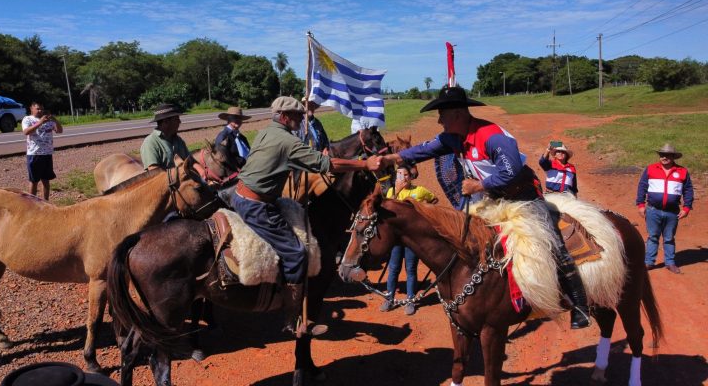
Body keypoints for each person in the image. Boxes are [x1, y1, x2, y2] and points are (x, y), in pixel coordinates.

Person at [379, 85, 590, 329]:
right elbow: (423, 150)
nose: (439, 120)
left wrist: (479, 185)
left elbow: (511, 171)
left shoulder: (492, 136)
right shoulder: (453, 137)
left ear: (457, 114)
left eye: (442, 115)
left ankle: (579, 305)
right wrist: (389, 159)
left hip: (522, 196)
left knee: (553, 243)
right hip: (490, 198)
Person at [232, 96, 382, 336]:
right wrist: (364, 166)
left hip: (240, 196)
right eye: (296, 116)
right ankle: (293, 320)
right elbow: (327, 165)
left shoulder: (265, 132)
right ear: (283, 117)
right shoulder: (287, 141)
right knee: (297, 253)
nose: (301, 119)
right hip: (257, 206)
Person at [380, 164, 437, 315]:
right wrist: (397, 191)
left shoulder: (419, 190)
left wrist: (423, 210)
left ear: (411, 176)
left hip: (412, 239)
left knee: (410, 269)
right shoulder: (392, 191)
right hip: (396, 238)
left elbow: (434, 199)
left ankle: (410, 300)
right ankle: (389, 298)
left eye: (405, 175)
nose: (403, 178)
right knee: (393, 268)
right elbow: (386, 209)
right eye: (399, 175)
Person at [636, 143, 694, 274]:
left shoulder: (682, 171)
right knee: (653, 236)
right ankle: (649, 262)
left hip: (672, 212)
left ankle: (670, 263)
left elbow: (688, 190)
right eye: (662, 155)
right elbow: (642, 186)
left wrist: (686, 208)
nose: (664, 157)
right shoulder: (650, 169)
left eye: (667, 155)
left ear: (673, 157)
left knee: (669, 238)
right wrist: (640, 205)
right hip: (653, 210)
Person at [22, 102, 63, 201]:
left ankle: (46, 201)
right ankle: (31, 203)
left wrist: (55, 120)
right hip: (35, 154)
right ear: (31, 109)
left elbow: (60, 130)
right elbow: (26, 132)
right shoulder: (28, 119)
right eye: (37, 109)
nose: (40, 111)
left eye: (41, 109)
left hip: (47, 154)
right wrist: (40, 122)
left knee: (46, 180)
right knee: (34, 181)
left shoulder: (48, 120)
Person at [141, 103, 189, 170]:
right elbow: (154, 171)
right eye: (176, 119)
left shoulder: (178, 140)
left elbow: (190, 160)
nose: (180, 122)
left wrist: (202, 172)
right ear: (166, 122)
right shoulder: (150, 143)